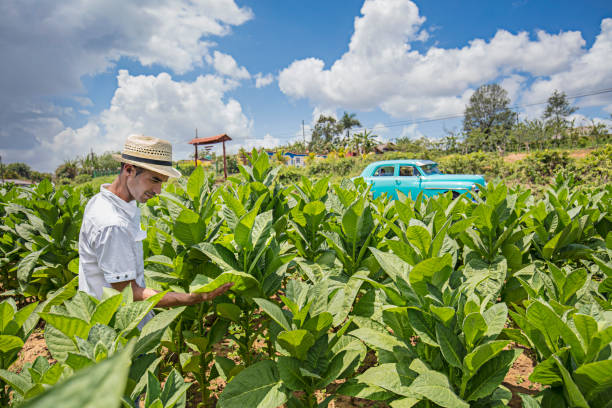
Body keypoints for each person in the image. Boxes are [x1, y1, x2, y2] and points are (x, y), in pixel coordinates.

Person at [78, 134, 232, 325]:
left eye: (162, 182)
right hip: (117, 330)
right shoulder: (112, 223)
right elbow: (128, 293)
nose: (158, 191)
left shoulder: (105, 200)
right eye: (154, 180)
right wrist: (192, 298)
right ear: (129, 170)